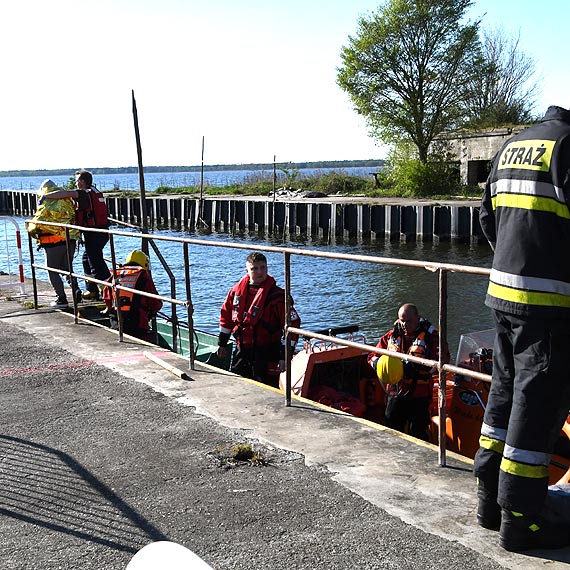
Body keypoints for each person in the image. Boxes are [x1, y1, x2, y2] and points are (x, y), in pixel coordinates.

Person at [475, 105, 570, 552]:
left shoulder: (514, 145)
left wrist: (513, 266)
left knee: (505, 393)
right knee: (537, 404)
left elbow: (487, 218)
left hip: (504, 296)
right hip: (551, 306)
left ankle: (489, 501)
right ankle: (524, 518)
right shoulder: (569, 148)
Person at [216, 252, 301, 388]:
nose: (259, 272)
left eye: (263, 267)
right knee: (237, 385)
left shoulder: (278, 297)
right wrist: (222, 343)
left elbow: (292, 326)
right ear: (247, 271)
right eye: (254, 268)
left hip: (268, 351)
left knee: (268, 390)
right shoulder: (235, 292)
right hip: (243, 350)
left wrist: (284, 356)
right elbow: (226, 317)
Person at [368, 303, 448, 442]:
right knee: (391, 425)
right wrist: (377, 363)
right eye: (402, 320)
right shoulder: (392, 335)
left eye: (408, 321)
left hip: (420, 393)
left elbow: (442, 360)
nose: (404, 324)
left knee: (417, 431)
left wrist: (418, 367)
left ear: (418, 318)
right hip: (396, 390)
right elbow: (372, 355)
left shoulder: (431, 337)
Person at [38, 169, 111, 300]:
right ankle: (92, 290)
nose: (76, 183)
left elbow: (65, 193)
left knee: (96, 263)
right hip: (101, 232)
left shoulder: (83, 193)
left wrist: (46, 196)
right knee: (86, 260)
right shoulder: (94, 192)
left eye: (77, 181)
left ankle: (109, 295)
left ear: (82, 182)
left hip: (94, 233)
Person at [26, 179, 82, 308]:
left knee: (52, 270)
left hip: (52, 241)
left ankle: (61, 299)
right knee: (67, 268)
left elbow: (37, 224)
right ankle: (76, 289)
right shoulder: (66, 199)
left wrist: (33, 232)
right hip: (70, 239)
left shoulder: (45, 202)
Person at [102, 249, 162, 342]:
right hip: (138, 325)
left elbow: (106, 298)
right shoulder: (143, 276)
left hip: (116, 322)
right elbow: (155, 303)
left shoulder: (114, 274)